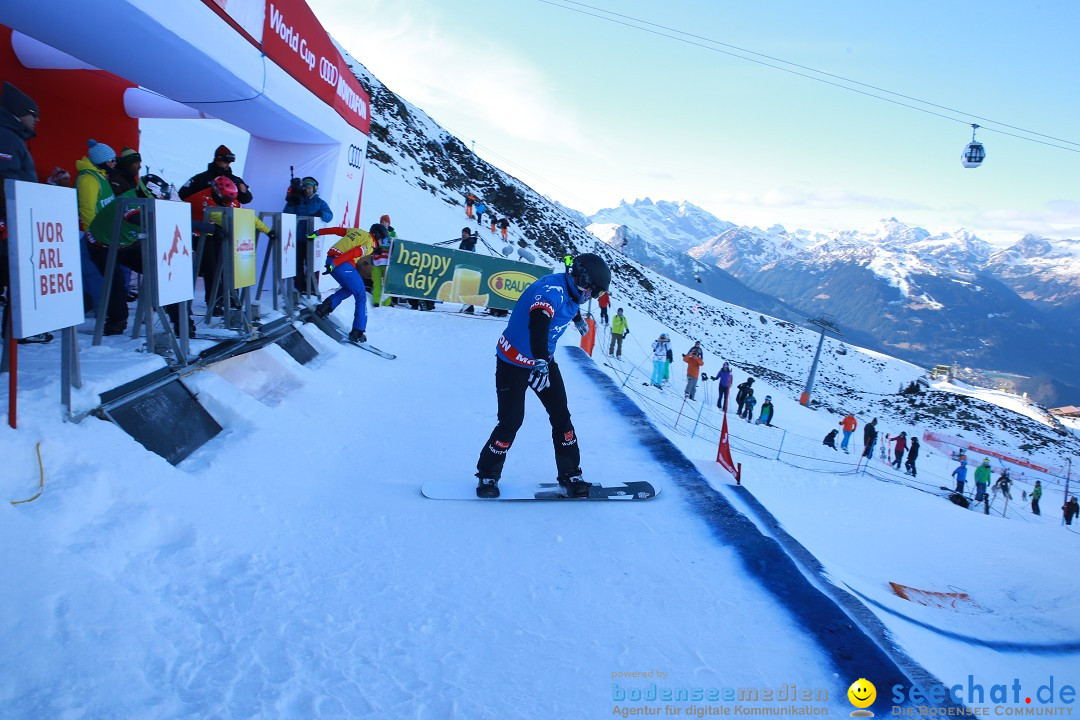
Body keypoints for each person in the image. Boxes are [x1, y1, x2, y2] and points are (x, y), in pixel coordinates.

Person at [474, 253, 611, 498]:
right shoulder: (550, 291)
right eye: (593, 291)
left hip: (541, 363)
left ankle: (571, 473)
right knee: (511, 421)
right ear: (581, 279)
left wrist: (577, 318)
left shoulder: (573, 290)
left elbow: (570, 305)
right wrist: (539, 360)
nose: (592, 297)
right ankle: (488, 474)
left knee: (561, 415)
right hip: (514, 362)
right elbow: (538, 322)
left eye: (598, 294)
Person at [0, 81, 53, 344]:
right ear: (20, 112)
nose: (37, 120)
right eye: (34, 114)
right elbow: (6, 179)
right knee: (16, 275)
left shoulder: (10, 135)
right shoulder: (7, 136)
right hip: (9, 222)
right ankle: (16, 333)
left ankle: (15, 332)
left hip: (11, 220)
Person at [184, 175, 274, 313]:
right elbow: (228, 219)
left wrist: (267, 230)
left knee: (226, 266)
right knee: (211, 268)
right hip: (196, 234)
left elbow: (245, 216)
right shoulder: (201, 200)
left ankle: (229, 297)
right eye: (226, 199)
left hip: (216, 233)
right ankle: (214, 301)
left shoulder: (231, 201)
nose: (229, 202)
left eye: (231, 199)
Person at [76, 139, 119, 330]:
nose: (114, 164)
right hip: (92, 236)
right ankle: (101, 309)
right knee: (93, 274)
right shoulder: (88, 179)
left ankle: (98, 307)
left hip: (102, 234)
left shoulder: (99, 176)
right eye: (111, 160)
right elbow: (87, 209)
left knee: (101, 273)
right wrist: (92, 234)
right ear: (102, 161)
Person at [312, 225, 376, 343]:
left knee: (349, 289)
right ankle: (358, 331)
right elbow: (354, 252)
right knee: (361, 295)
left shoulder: (357, 231)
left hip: (331, 259)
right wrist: (334, 264)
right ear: (378, 237)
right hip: (341, 263)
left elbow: (335, 230)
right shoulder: (370, 243)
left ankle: (324, 308)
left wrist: (317, 233)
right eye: (383, 240)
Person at [284, 176, 332, 293]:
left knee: (312, 264)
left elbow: (329, 216)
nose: (307, 190)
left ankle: (311, 288)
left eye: (309, 187)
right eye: (305, 187)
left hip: (313, 239)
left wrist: (320, 213)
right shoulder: (297, 201)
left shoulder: (320, 202)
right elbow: (286, 214)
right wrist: (290, 202)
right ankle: (300, 288)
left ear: (314, 189)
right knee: (297, 264)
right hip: (298, 238)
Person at [179, 144, 252, 205]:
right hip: (204, 217)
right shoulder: (200, 179)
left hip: (228, 218)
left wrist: (245, 192)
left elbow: (247, 200)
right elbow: (182, 194)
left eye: (229, 163)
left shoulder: (235, 180)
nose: (228, 165)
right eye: (225, 162)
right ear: (218, 160)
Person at [368, 214, 393, 308]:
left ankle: (387, 303)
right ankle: (376, 302)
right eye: (382, 221)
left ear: (388, 223)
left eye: (385, 222)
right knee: (377, 282)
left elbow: (397, 245)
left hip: (387, 263)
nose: (383, 223)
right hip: (377, 261)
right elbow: (370, 242)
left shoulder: (393, 233)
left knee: (387, 284)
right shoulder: (375, 231)